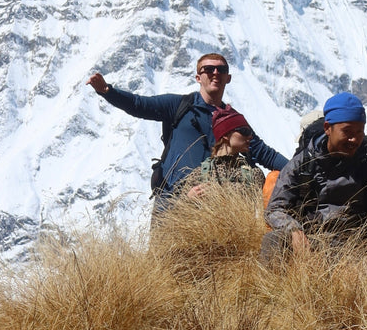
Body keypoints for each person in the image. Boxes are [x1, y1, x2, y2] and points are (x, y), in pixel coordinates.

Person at [86, 53, 288, 218]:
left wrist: (298, 170)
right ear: (198, 77)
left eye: (221, 69)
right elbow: (140, 105)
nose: (215, 73)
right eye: (208, 69)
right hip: (171, 198)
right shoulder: (179, 105)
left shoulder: (234, 122)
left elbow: (265, 154)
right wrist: (107, 91)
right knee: (162, 254)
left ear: (228, 78)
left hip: (213, 207)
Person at [261, 92, 367, 261]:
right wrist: (293, 229)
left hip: (353, 251)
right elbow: (275, 209)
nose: (354, 139)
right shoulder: (302, 164)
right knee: (275, 240)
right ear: (327, 128)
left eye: (359, 132)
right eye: (347, 131)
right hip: (309, 245)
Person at [186, 107, 266, 199]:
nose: (250, 137)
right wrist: (189, 198)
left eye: (250, 133)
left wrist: (219, 192)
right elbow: (178, 206)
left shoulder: (254, 173)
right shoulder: (198, 174)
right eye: (245, 131)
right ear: (226, 135)